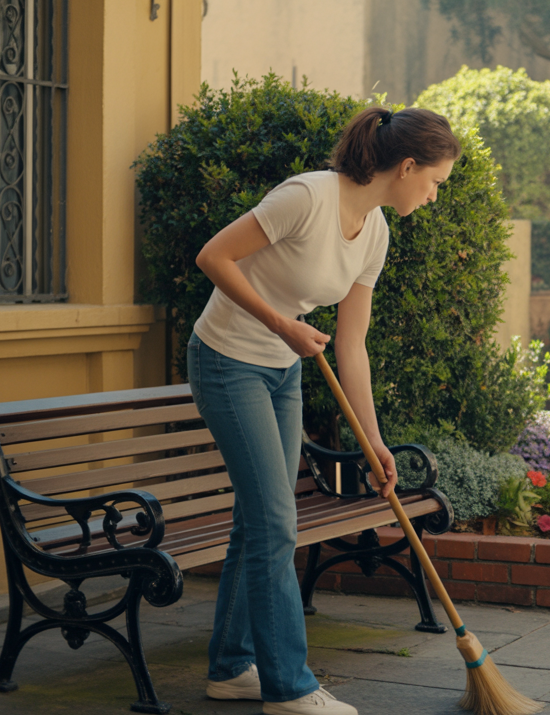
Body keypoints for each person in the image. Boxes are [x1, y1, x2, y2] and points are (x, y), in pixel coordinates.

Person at [188, 107, 461, 715]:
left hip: (281, 370)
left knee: (260, 519)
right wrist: (281, 323)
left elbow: (351, 345)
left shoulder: (376, 234)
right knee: (275, 522)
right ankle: (289, 687)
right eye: (436, 181)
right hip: (227, 360)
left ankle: (232, 668)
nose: (435, 196)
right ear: (408, 165)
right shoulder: (307, 197)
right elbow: (213, 257)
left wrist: (375, 440)